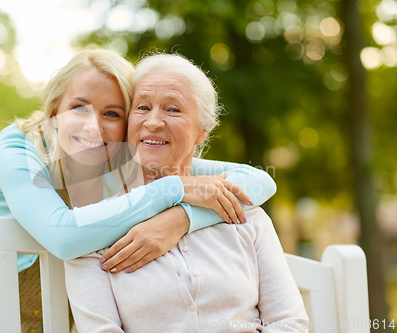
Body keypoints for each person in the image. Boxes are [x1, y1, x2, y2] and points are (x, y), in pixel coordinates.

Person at [0, 49, 277, 332]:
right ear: (54, 111)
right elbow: (65, 236)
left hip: (65, 303)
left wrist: (182, 218)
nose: (92, 126)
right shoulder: (18, 149)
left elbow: (257, 180)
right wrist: (176, 188)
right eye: (79, 107)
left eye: (111, 113)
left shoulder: (125, 156)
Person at [64, 53, 308, 333]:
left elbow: (290, 324)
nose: (154, 122)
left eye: (173, 109)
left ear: (203, 130)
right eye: (142, 107)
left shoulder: (248, 217)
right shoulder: (96, 229)